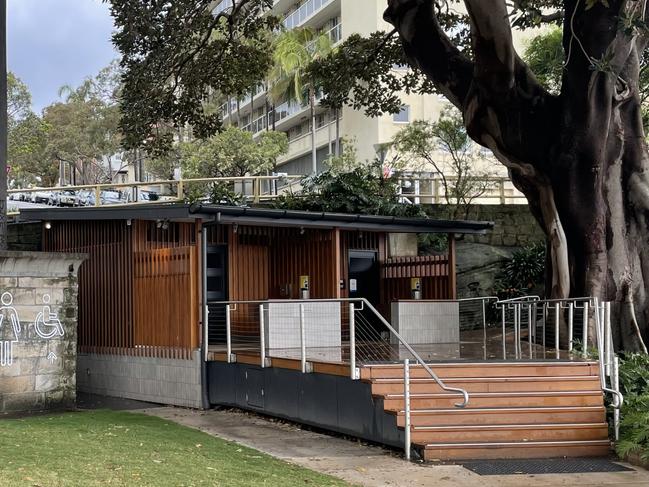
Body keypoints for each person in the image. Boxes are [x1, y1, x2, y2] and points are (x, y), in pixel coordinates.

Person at [0, 292, 21, 367]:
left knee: (7, 344)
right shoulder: (6, 309)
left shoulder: (11, 310)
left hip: (9, 331)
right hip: (6, 330)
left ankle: (7, 359)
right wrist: (17, 329)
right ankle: (4, 359)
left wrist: (17, 329)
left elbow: (14, 320)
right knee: (4, 344)